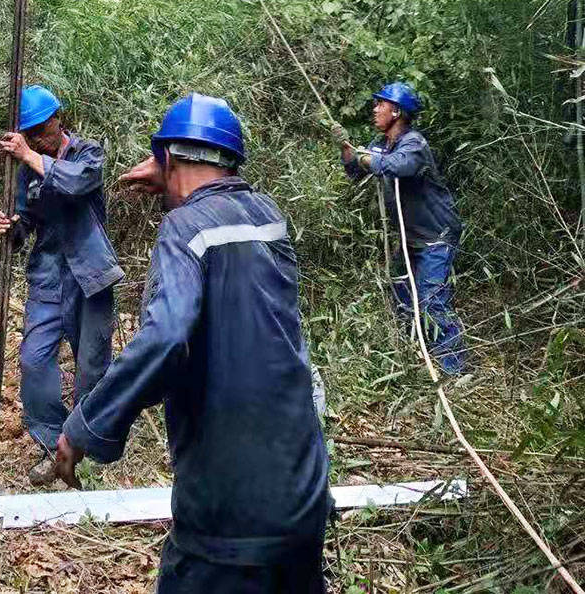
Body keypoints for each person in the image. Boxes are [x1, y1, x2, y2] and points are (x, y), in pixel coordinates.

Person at [55, 93, 331, 593]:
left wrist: (84, 428)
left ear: (169, 157)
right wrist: (171, 168)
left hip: (229, 512)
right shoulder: (269, 217)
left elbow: (165, 336)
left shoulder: (184, 228)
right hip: (303, 492)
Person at [0, 84, 123, 487]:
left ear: (58, 120)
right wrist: (11, 228)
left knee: (92, 369)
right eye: (29, 135)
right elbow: (24, 225)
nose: (36, 140)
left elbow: (74, 185)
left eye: (40, 131)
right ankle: (53, 445)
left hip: (91, 276)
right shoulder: (27, 169)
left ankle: (85, 447)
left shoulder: (88, 154)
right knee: (34, 361)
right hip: (48, 279)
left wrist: (30, 157)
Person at [335, 81, 466, 376]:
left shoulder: (414, 144)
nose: (375, 108)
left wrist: (364, 156)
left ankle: (454, 370)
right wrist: (346, 149)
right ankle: (415, 352)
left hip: (436, 235)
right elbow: (357, 170)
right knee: (401, 289)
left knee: (432, 299)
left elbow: (397, 166)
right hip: (410, 237)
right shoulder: (382, 144)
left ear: (396, 111)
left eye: (380, 104)